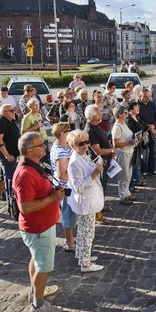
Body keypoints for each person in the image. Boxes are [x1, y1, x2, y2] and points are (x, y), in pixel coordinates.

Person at [13, 132, 64, 312]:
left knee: (37, 259)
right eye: (41, 144)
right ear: (30, 150)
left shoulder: (33, 166)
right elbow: (25, 207)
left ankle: (35, 290)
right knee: (43, 267)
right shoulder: (25, 174)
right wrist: (53, 197)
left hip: (42, 225)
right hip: (38, 228)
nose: (45, 146)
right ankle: (38, 305)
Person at [67, 129, 106, 273]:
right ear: (72, 146)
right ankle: (85, 263)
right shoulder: (74, 163)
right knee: (87, 233)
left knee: (86, 232)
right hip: (84, 202)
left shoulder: (82, 155)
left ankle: (82, 256)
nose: (85, 146)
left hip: (88, 201)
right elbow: (78, 187)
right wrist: (95, 173)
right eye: (80, 144)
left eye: (86, 142)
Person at [49, 122, 77, 252]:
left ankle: (70, 237)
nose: (71, 132)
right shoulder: (61, 151)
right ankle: (69, 242)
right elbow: (62, 176)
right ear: (62, 134)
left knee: (69, 212)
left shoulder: (60, 146)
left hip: (67, 185)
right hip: (66, 187)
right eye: (68, 130)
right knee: (68, 214)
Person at [85, 105, 114, 217]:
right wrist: (111, 150)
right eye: (99, 113)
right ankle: (97, 213)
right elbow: (97, 150)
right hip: (98, 163)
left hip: (104, 161)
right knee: (98, 186)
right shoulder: (90, 130)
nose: (102, 114)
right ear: (93, 116)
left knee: (103, 185)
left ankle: (101, 206)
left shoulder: (97, 125)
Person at [112, 106, 137, 205]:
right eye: (125, 113)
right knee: (123, 176)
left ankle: (127, 193)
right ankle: (122, 196)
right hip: (123, 153)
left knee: (128, 174)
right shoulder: (117, 127)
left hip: (129, 152)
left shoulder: (124, 124)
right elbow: (116, 144)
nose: (127, 114)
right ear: (120, 114)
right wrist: (130, 142)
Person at [0, 104, 20, 186]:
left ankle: (3, 192)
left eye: (14, 110)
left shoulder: (10, 120)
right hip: (7, 154)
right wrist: (7, 155)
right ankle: (10, 195)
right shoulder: (1, 122)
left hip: (12, 153)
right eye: (11, 111)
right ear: (4, 112)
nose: (13, 112)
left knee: (5, 174)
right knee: (11, 176)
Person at [138, 88, 156, 176]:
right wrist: (147, 126)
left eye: (148, 97)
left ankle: (152, 169)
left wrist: (154, 125)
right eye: (145, 97)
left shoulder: (151, 104)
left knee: (154, 151)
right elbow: (137, 119)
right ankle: (144, 171)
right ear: (140, 95)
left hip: (153, 130)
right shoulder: (137, 105)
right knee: (144, 152)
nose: (147, 99)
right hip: (144, 132)